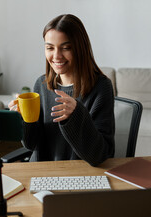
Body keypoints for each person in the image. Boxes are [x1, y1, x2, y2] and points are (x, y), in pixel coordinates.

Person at [8, 14, 115, 167]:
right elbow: (30, 145)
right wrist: (24, 120)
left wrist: (77, 114)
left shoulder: (101, 87)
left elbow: (100, 155)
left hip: (80, 174)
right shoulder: (42, 84)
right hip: (42, 173)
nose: (56, 56)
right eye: (50, 48)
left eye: (66, 48)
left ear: (80, 48)